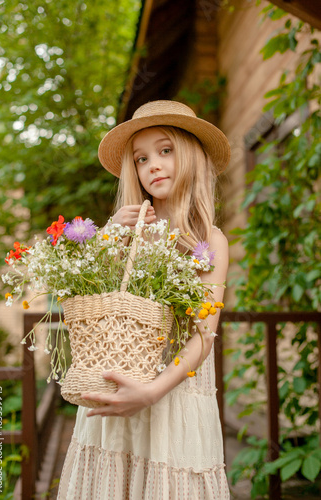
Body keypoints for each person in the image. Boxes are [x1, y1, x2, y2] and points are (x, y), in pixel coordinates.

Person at [57, 100, 231, 499]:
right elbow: (93, 303)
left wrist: (152, 392)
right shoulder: (126, 235)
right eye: (140, 158)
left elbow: (204, 336)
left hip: (173, 396)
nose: (152, 164)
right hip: (118, 384)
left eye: (165, 150)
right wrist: (107, 239)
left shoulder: (210, 240)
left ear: (189, 154)